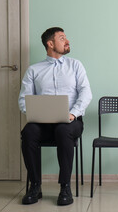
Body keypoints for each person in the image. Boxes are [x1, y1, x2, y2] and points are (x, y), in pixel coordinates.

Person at [18, 27, 92, 206]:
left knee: (63, 130)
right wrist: (36, 113)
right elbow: (23, 100)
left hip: (70, 122)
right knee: (28, 132)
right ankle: (35, 186)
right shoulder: (34, 70)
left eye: (66, 37)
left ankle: (65, 186)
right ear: (50, 44)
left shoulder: (75, 65)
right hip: (43, 123)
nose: (67, 41)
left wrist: (73, 113)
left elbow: (86, 93)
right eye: (62, 38)